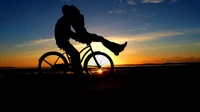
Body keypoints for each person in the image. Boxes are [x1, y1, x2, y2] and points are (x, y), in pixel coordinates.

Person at [54, 4, 127, 75]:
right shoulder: (65, 20)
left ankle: (116, 49)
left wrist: (77, 36)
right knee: (75, 54)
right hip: (63, 41)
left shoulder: (66, 19)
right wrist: (77, 37)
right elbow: (70, 31)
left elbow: (74, 30)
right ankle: (78, 73)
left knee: (100, 39)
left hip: (66, 40)